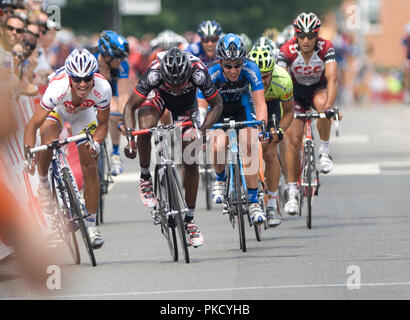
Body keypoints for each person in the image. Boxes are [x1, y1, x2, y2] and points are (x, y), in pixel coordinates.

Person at [123, 47, 223, 247]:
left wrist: (203, 130)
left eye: (181, 82)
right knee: (145, 127)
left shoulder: (198, 72)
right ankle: (145, 178)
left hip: (187, 105)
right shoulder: (154, 73)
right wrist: (130, 138)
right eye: (172, 83)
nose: (176, 87)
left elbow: (217, 105)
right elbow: (129, 107)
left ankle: (190, 220)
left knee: (191, 160)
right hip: (158, 97)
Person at [23, 49, 112, 249]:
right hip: (58, 111)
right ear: (70, 77)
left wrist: (96, 143)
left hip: (84, 115)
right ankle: (44, 184)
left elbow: (104, 125)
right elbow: (32, 125)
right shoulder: (57, 88)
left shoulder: (103, 88)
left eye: (87, 79)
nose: (82, 84)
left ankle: (91, 226)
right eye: (77, 79)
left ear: (93, 77)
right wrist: (28, 154)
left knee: (90, 165)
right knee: (48, 140)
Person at [197, 33, 269, 224]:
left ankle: (254, 202)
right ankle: (220, 179)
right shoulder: (210, 73)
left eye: (237, 65)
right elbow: (201, 105)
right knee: (218, 145)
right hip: (217, 109)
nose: (233, 70)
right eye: (228, 66)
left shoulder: (251, 68)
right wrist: (202, 130)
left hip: (242, 107)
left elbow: (260, 103)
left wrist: (262, 128)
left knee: (249, 145)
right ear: (220, 62)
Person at [277, 12, 338, 215]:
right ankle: (292, 190)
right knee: (293, 140)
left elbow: (332, 79)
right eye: (301, 35)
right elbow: (281, 83)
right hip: (294, 92)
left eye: (310, 36)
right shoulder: (287, 50)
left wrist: (329, 108)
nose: (306, 40)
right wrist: (285, 112)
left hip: (317, 90)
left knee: (323, 106)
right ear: (295, 35)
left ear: (317, 36)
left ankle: (324, 151)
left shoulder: (325, 48)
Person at [248, 45, 294, 227]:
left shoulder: (283, 79)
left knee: (270, 151)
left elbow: (289, 112)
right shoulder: (244, 79)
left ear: (273, 71)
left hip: (273, 106)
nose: (262, 80)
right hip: (251, 106)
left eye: (266, 75)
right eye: (258, 75)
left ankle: (272, 204)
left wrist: (280, 130)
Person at [90, 30, 130, 176]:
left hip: (110, 93)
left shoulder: (122, 65)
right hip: (89, 92)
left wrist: (124, 120)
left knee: (114, 111)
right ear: (106, 55)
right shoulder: (91, 60)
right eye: (117, 58)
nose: (121, 61)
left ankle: (115, 153)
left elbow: (124, 94)